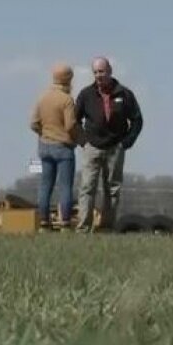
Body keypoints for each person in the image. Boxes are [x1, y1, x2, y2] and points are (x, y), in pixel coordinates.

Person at [74, 56, 143, 232]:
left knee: (112, 190)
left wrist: (126, 143)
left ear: (110, 71)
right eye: (95, 72)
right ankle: (83, 228)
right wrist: (83, 142)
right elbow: (74, 121)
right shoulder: (85, 94)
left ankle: (106, 228)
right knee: (87, 188)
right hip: (92, 148)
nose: (98, 75)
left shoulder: (124, 94)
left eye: (102, 71)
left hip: (115, 148)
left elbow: (137, 120)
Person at [30, 63, 79, 231]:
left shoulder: (42, 97)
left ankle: (44, 222)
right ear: (68, 79)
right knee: (65, 187)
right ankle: (65, 222)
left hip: (44, 146)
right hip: (63, 147)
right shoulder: (66, 100)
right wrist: (78, 139)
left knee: (45, 186)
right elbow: (71, 125)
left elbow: (33, 123)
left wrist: (44, 134)